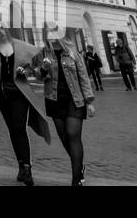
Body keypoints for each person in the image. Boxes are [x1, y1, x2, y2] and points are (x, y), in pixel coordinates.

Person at [0, 28, 50, 186]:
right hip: (2, 95)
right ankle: (20, 165)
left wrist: (25, 71)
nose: (1, 31)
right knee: (12, 130)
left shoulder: (20, 46)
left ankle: (27, 168)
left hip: (19, 94)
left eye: (3, 27)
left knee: (20, 128)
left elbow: (34, 63)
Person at [38, 35, 97, 186]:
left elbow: (83, 77)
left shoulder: (73, 52)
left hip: (74, 99)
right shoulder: (45, 53)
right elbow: (38, 76)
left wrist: (89, 101)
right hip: (54, 99)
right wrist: (43, 69)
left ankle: (76, 179)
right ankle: (79, 165)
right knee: (64, 138)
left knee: (73, 135)